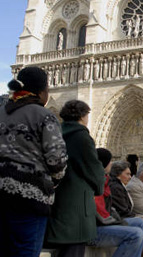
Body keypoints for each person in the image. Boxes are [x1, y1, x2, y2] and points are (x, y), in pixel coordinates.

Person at [0, 67, 68, 257]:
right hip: (29, 197)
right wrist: (53, 182)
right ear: (41, 92)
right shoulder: (43, 115)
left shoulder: (1, 113)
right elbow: (57, 160)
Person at [46, 100, 105, 257]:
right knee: (74, 249)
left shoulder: (55, 133)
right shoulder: (81, 137)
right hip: (76, 209)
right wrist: (99, 185)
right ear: (82, 116)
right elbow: (94, 170)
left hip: (57, 204)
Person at [92, 149, 143, 257]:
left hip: (105, 221)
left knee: (140, 223)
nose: (112, 163)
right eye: (109, 161)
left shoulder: (106, 181)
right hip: (96, 228)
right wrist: (115, 221)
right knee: (136, 234)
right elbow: (99, 212)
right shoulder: (97, 182)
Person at [108, 161, 143, 257]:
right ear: (118, 174)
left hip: (123, 215)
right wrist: (138, 216)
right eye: (127, 174)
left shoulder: (120, 185)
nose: (130, 177)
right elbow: (123, 210)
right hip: (118, 218)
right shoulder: (116, 187)